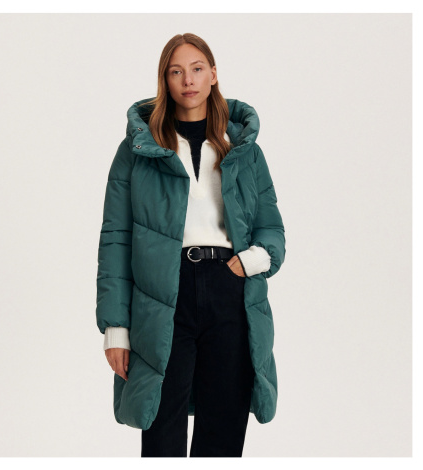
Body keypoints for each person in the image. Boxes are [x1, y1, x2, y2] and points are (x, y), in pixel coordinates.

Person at [96, 33, 286, 458]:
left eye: (197, 69)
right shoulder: (138, 150)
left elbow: (271, 227)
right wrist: (116, 327)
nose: (188, 80)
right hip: (163, 295)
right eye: (176, 71)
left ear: (213, 74)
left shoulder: (244, 150)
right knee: (161, 430)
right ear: (164, 79)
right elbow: (115, 239)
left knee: (223, 433)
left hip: (230, 289)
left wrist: (254, 260)